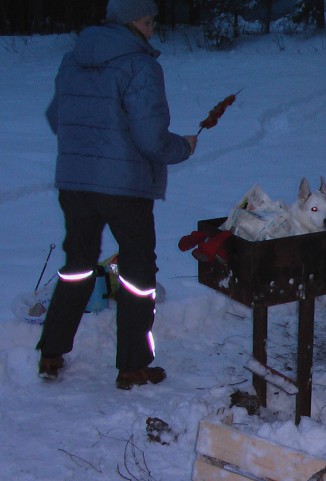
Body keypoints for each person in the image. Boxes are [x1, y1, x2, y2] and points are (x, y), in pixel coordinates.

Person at [36, 0, 197, 390]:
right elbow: (151, 139)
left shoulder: (73, 61)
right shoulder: (140, 65)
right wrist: (184, 147)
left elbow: (57, 118)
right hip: (125, 188)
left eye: (153, 21)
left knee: (77, 265)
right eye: (147, 21)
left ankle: (51, 353)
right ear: (127, 22)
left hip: (75, 185)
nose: (151, 29)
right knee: (137, 275)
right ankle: (132, 367)